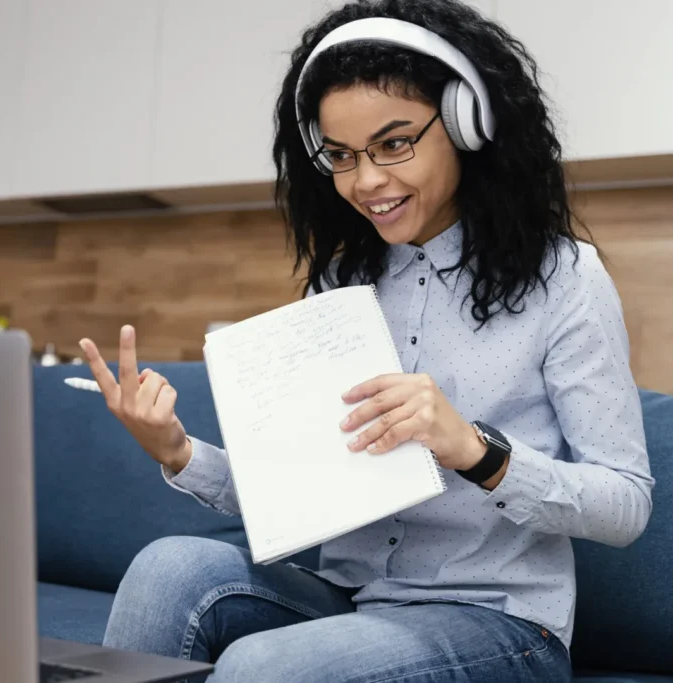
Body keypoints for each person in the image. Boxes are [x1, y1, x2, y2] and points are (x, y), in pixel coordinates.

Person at [77, 0, 654, 680]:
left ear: (468, 126)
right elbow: (298, 492)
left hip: (498, 623)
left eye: (394, 143)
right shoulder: (343, 281)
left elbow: (626, 503)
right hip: (349, 601)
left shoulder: (564, 278)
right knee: (168, 567)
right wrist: (174, 449)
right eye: (342, 155)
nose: (366, 180)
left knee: (264, 665)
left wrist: (475, 448)